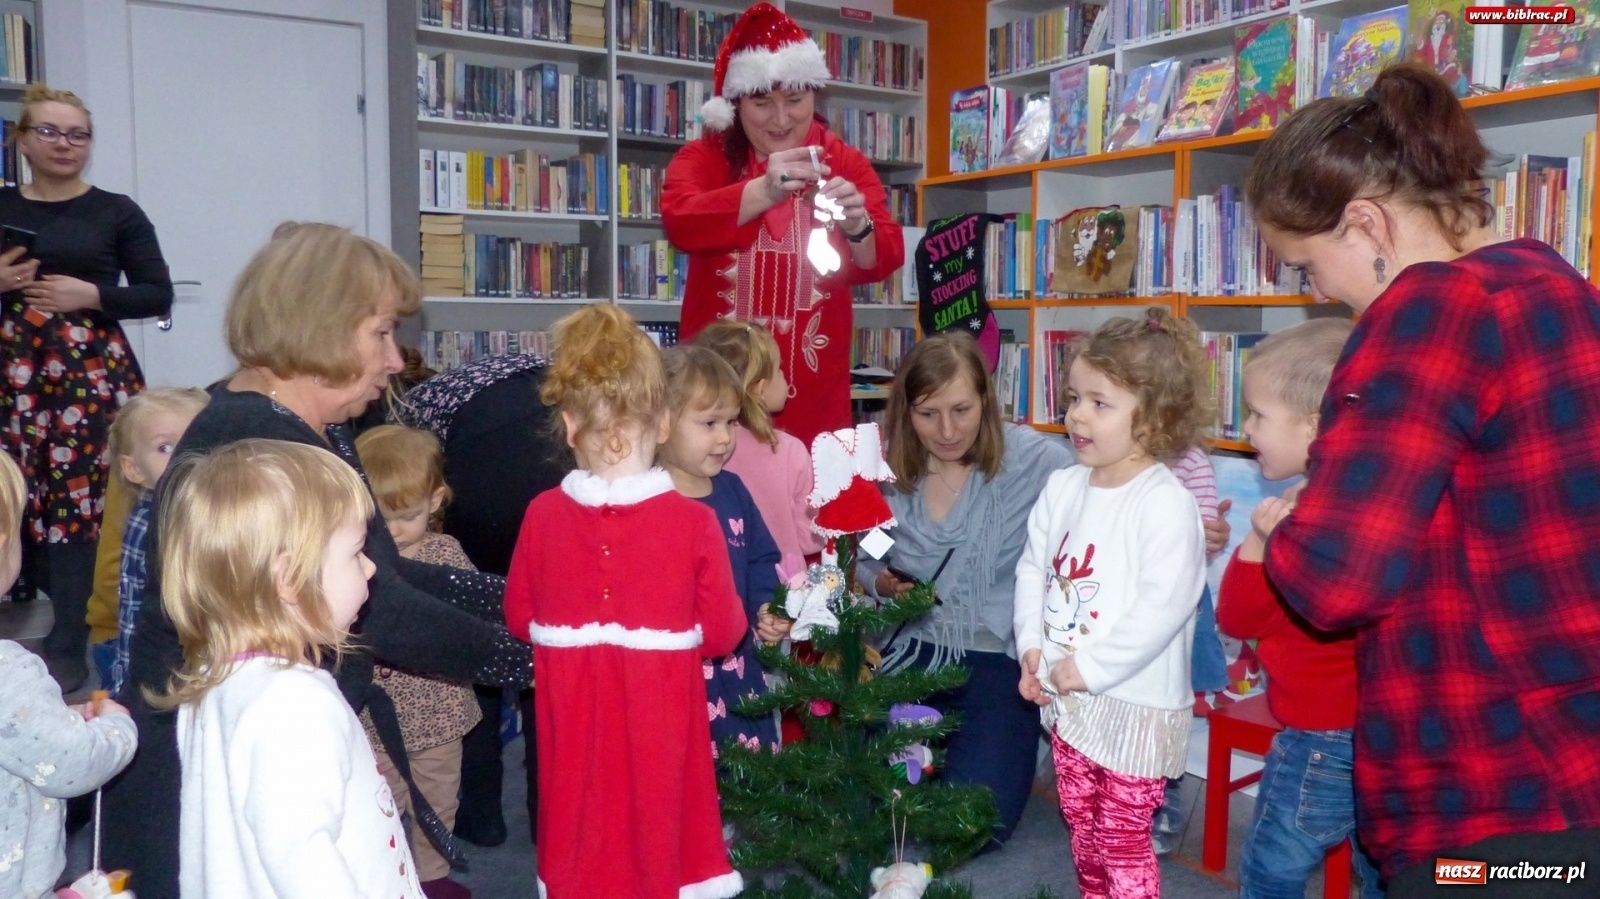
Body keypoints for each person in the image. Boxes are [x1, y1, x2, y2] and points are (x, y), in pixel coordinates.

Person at [1244, 62, 1600, 892]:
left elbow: (1339, 582)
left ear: (1365, 222)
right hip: (1576, 757)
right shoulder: (1556, 282)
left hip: (1481, 782)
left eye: (1305, 266)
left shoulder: (1427, 307)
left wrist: (1287, 526)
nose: (1317, 294)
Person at [103, 223, 532, 899]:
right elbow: (384, 610)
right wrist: (544, 654)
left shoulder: (302, 423)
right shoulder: (254, 441)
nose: (396, 358)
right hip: (201, 777)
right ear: (325, 326)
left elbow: (382, 572)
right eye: (382, 331)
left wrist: (532, 599)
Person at [504, 304, 746, 898]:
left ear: (568, 427)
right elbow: (722, 634)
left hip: (573, 727)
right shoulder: (695, 523)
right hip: (660, 723)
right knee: (659, 840)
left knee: (581, 838)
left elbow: (517, 618)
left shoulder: (540, 515)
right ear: (662, 425)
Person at [151, 440, 422, 898]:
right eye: (356, 552)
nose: (372, 568)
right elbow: (300, 856)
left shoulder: (217, 680)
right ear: (290, 579)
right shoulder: (294, 704)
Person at [1013, 307, 1210, 899]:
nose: (1076, 415)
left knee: (1123, 838)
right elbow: (1033, 569)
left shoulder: (1165, 503)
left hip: (1134, 707)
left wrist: (1089, 669)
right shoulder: (1063, 485)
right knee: (1082, 826)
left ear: (1153, 418)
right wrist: (1031, 647)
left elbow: (1165, 606)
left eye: (1100, 403)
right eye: (1074, 397)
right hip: (1069, 701)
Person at [859, 330, 1074, 846]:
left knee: (977, 825)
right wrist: (880, 582)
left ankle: (963, 742)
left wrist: (1189, 515)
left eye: (961, 409)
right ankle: (945, 740)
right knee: (868, 800)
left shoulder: (1034, 461)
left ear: (986, 400)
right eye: (927, 413)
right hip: (912, 644)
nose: (948, 430)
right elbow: (863, 555)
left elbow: (1113, 478)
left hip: (995, 655)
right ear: (905, 413)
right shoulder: (883, 465)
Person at [663, 1, 904, 448]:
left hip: (814, 396)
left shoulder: (844, 160)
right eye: (761, 103)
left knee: (814, 510)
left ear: (815, 95)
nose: (780, 119)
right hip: (715, 399)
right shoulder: (706, 157)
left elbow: (884, 257)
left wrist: (858, 227)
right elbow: (680, 220)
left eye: (795, 101)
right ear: (736, 102)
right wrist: (763, 193)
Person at [0, 84, 174, 692]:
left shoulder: (116, 211)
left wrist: (93, 295)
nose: (64, 144)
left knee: (80, 506)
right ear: (20, 139)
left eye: (78, 134)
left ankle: (69, 639)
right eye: (48, 131)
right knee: (14, 494)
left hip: (86, 375)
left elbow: (158, 293)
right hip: (10, 374)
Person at [1213, 317, 1384, 899]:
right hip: (1382, 729)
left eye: (1258, 415)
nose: (1248, 427)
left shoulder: (1296, 521)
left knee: (1270, 871)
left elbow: (1238, 621)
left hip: (1318, 736)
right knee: (1383, 866)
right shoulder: (1372, 502)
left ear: (1315, 428)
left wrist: (1257, 544)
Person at [398, 352, 565, 849]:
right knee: (546, 670)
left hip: (479, 518)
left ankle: (479, 816)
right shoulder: (528, 369)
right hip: (555, 505)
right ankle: (548, 816)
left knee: (479, 669)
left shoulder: (412, 408)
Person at [0, 450, 137, 899]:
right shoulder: (9, 672)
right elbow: (73, 763)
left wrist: (59, 715)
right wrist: (116, 725)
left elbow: (19, 730)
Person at [355, 424, 482, 899]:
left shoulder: (444, 554)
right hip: (375, 717)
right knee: (379, 802)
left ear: (436, 500)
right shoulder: (357, 556)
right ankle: (390, 879)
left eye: (406, 516)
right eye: (379, 519)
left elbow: (470, 620)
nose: (392, 532)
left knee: (438, 799)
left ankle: (431, 880)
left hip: (438, 713)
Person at [660, 344, 784, 755]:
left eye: (731, 422)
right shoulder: (647, 500)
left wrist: (767, 607)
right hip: (677, 677)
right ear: (661, 423)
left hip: (740, 670)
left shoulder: (733, 489)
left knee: (751, 790)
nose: (725, 438)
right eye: (709, 422)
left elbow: (762, 558)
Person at [101, 386, 209, 697]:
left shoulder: (194, 510)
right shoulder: (153, 522)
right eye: (164, 448)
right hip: (160, 672)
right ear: (134, 469)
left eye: (194, 438)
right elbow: (135, 617)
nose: (185, 454)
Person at [694, 319, 821, 582]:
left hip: (720, 583)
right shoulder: (790, 451)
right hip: (783, 593)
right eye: (781, 371)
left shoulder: (701, 448)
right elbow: (811, 539)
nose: (786, 378)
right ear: (761, 388)